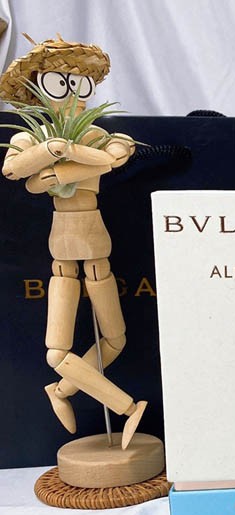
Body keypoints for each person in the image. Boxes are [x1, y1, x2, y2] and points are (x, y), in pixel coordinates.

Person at [1, 36, 146, 449]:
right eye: (59, 83)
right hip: (62, 247)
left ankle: (62, 390)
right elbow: (13, 171)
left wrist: (61, 167)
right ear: (37, 89)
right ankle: (127, 407)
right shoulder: (34, 136)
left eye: (80, 84)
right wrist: (51, 150)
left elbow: (114, 157)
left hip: (97, 243)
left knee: (116, 339)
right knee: (56, 353)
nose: (73, 94)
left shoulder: (96, 133)